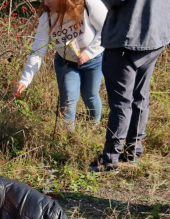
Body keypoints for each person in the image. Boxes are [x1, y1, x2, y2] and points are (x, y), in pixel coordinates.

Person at [88, 0, 170, 171]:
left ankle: (110, 159)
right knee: (140, 97)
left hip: (127, 35)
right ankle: (132, 153)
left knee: (121, 103)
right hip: (157, 34)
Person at [15, 0, 108, 130]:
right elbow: (38, 50)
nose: (46, 3)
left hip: (93, 60)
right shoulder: (47, 18)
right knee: (68, 97)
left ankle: (94, 127)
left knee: (90, 95)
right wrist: (25, 80)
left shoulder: (88, 4)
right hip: (66, 62)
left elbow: (107, 29)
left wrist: (89, 53)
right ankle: (68, 134)